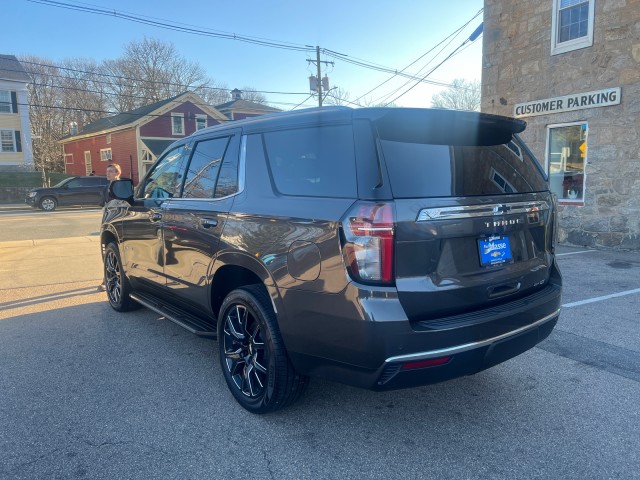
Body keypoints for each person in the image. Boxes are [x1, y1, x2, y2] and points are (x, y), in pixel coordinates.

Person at [98, 163, 122, 291]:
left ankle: (113, 279)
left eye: (111, 171)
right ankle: (106, 278)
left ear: (118, 173)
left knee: (117, 251)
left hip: (119, 222)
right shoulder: (105, 188)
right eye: (107, 171)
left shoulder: (123, 187)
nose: (108, 173)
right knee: (107, 250)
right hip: (107, 221)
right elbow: (103, 205)